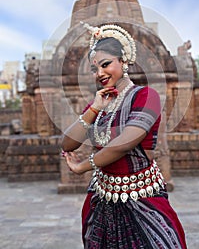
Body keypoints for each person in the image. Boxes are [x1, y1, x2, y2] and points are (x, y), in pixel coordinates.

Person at [62, 23, 187, 249]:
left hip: (142, 197)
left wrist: (83, 166)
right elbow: (68, 142)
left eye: (106, 64)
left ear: (124, 61)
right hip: (102, 198)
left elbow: (125, 143)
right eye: (94, 69)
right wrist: (94, 109)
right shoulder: (99, 103)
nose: (99, 73)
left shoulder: (146, 96)